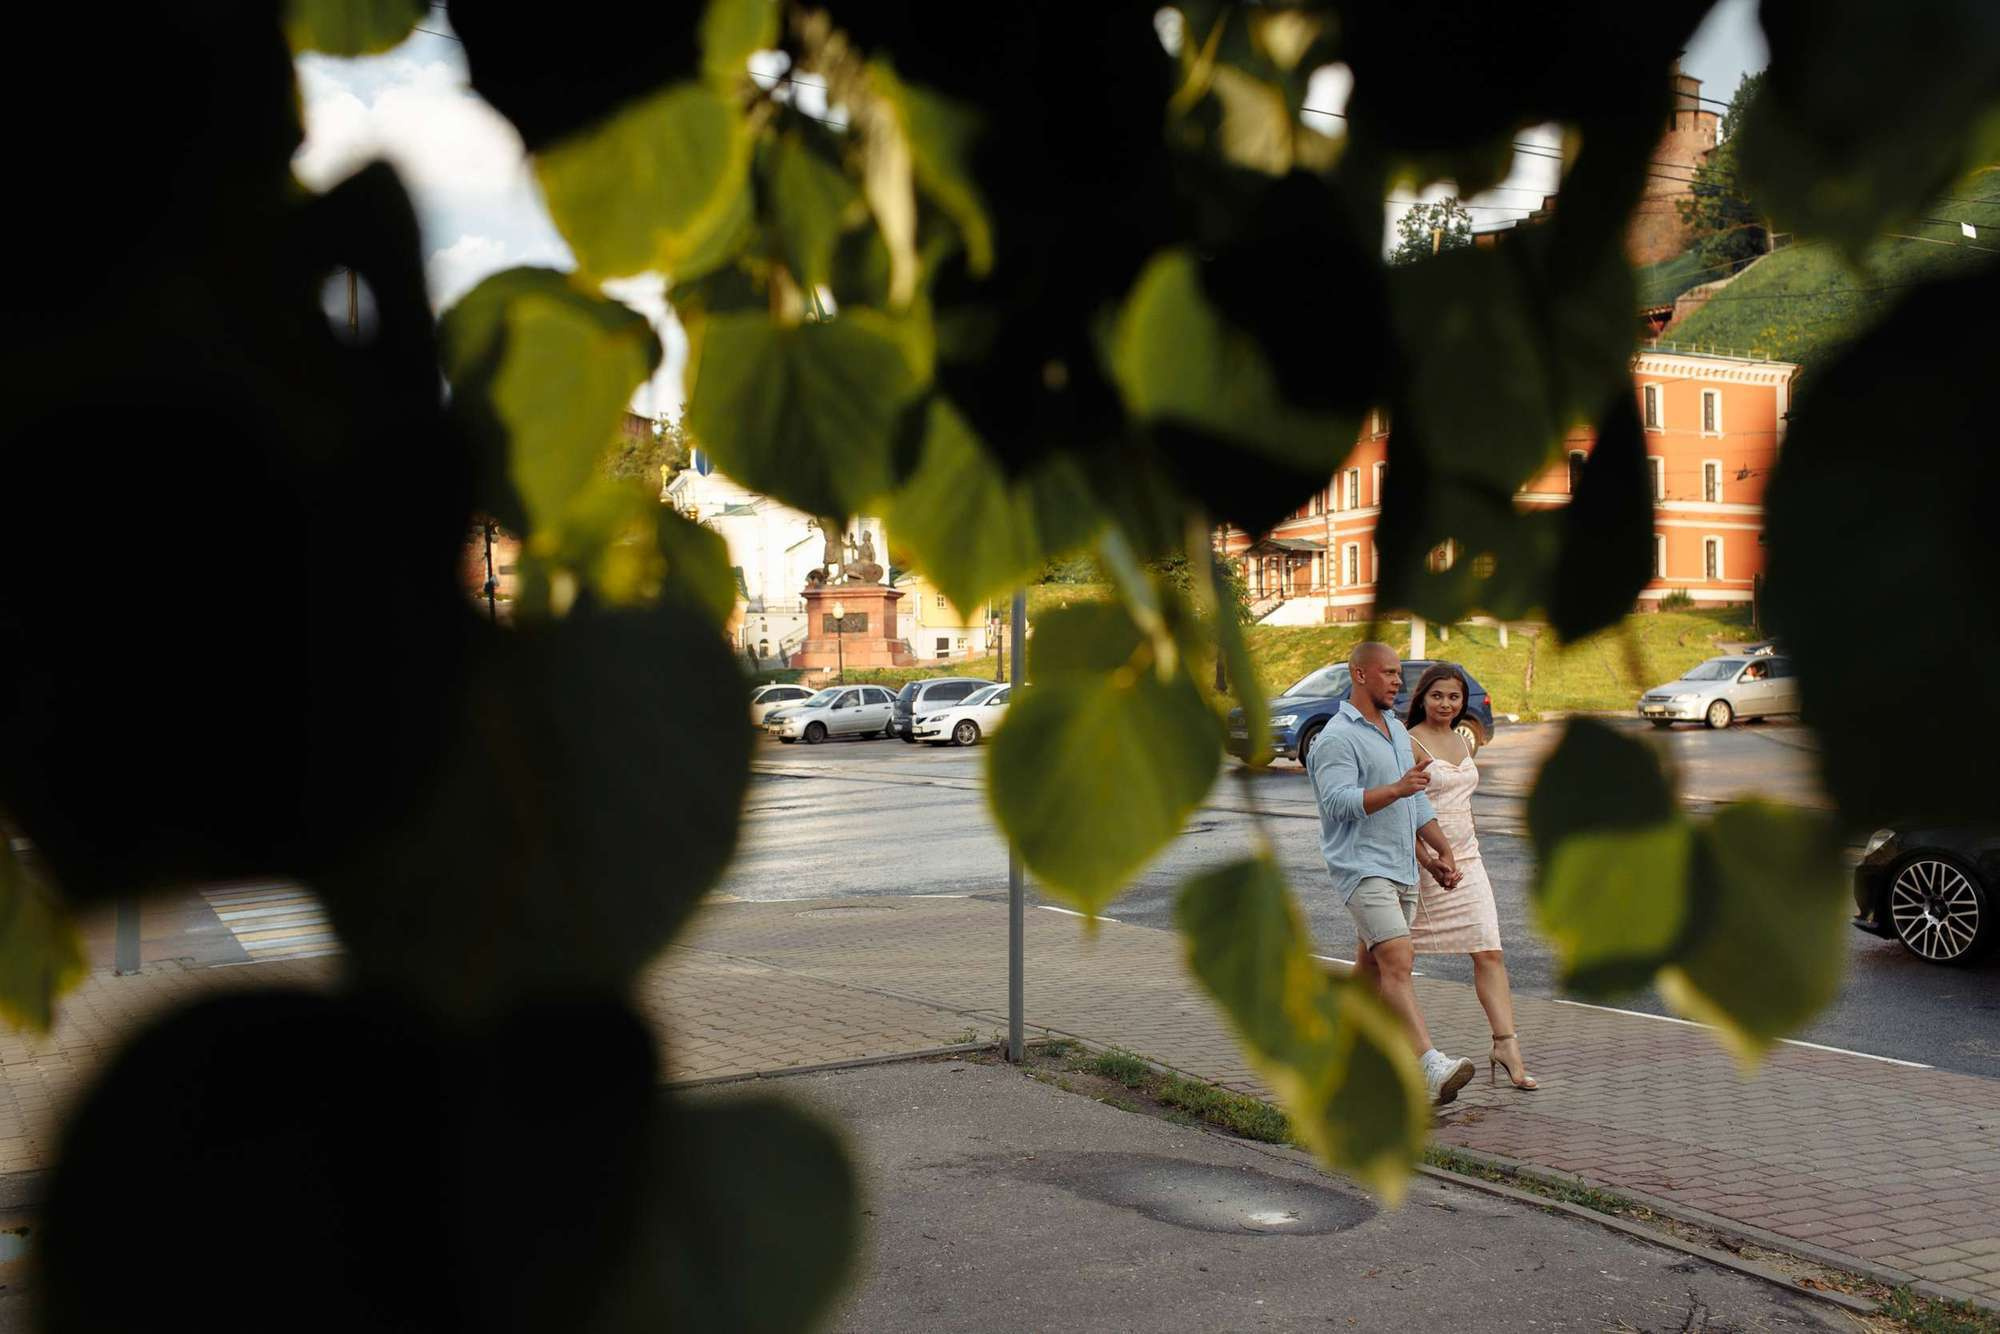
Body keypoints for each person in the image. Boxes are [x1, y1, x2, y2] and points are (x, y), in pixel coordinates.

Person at [1307, 641, 1477, 1107]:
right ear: (1359, 675)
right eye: (1388, 672)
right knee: (1398, 961)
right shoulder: (1337, 738)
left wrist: (1440, 851)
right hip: (1361, 868)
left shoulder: (1397, 731)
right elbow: (1337, 803)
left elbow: (1415, 799)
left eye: (1399, 673)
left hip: (1402, 866)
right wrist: (1397, 788)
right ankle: (1429, 1066)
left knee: (1371, 971)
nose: (1398, 681)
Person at [1403, 664, 1538, 1090]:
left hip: (1468, 860)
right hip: (1423, 863)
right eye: (1437, 695)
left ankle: (1506, 1046)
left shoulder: (1463, 740)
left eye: (1454, 697)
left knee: (1489, 950)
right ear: (1423, 698)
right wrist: (1428, 860)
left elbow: (1462, 802)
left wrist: (1466, 848)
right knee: (1394, 962)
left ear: (1463, 702)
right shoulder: (1408, 742)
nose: (1446, 704)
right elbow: (1402, 812)